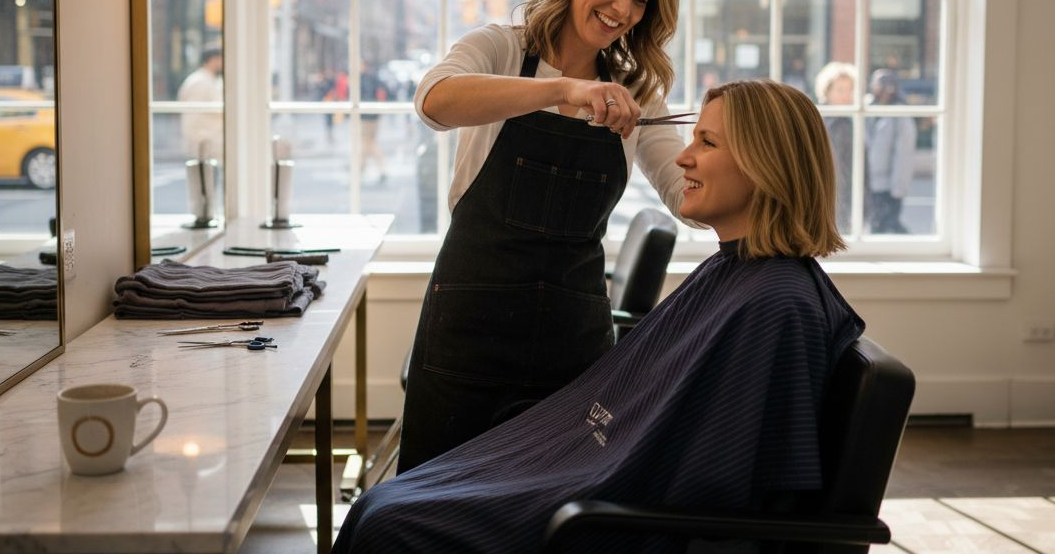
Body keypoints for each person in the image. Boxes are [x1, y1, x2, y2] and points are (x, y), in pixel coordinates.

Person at [335, 79, 864, 553]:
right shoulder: (738, 273)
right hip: (592, 479)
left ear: (765, 163)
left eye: (706, 142)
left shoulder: (776, 305)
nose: (683, 158)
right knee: (383, 505)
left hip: (610, 517)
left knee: (388, 523)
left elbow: (718, 488)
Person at [399, 0, 692, 472]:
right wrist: (562, 90)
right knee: (430, 496)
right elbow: (434, 101)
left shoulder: (633, 91)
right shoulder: (501, 48)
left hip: (572, 344)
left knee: (550, 503)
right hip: (469, 329)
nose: (623, 9)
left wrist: (741, 160)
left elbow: (686, 196)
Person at [865, 67, 916, 234]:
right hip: (868, 182)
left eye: (887, 85)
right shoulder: (866, 108)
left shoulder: (900, 114)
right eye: (879, 84)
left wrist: (898, 187)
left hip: (889, 185)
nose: (883, 90)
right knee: (872, 227)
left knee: (889, 226)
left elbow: (903, 153)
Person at [815, 61, 856, 234]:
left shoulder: (850, 120)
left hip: (845, 195)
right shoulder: (823, 121)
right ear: (827, 91)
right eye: (840, 90)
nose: (846, 95)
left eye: (850, 90)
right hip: (833, 196)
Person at [176, 44, 224, 160]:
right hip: (203, 141)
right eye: (221, 59)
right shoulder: (199, 82)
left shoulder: (211, 80)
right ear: (213, 60)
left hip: (210, 140)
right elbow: (194, 115)